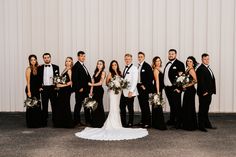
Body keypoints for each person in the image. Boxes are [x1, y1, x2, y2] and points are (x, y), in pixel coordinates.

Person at [75, 60, 148, 140]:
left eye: (115, 65)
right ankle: (111, 123)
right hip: (113, 92)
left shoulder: (120, 73)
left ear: (117, 65)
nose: (114, 66)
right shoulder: (110, 73)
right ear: (111, 66)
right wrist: (113, 85)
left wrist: (120, 85)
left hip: (119, 92)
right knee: (113, 106)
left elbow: (123, 82)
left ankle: (118, 123)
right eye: (112, 65)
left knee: (117, 107)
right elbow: (106, 83)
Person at [163, 49, 185, 128]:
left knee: (177, 106)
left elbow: (182, 77)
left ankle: (179, 123)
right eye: (169, 54)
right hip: (167, 88)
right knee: (172, 105)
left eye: (172, 54)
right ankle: (172, 120)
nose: (170, 55)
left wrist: (179, 89)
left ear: (175, 54)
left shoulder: (180, 64)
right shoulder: (167, 64)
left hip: (175, 89)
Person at [38, 53, 60, 127]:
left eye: (48, 57)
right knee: (44, 106)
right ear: (43, 59)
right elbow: (37, 78)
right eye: (45, 58)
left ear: (50, 58)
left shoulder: (56, 67)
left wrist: (57, 86)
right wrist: (39, 86)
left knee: (55, 106)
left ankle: (56, 122)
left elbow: (57, 78)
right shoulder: (40, 67)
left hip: (53, 88)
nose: (46, 59)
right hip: (44, 88)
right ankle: (44, 122)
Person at [196, 53, 216, 132]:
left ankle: (207, 124)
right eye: (205, 59)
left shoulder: (207, 68)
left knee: (206, 109)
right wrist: (204, 91)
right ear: (202, 60)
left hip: (209, 92)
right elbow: (201, 82)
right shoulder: (201, 68)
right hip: (204, 93)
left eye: (208, 59)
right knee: (202, 109)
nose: (207, 60)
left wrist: (211, 91)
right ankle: (201, 126)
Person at [72, 51, 92, 126]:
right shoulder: (76, 66)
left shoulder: (83, 65)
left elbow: (86, 77)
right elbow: (75, 79)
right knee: (78, 105)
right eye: (81, 56)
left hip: (85, 89)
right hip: (80, 90)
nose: (83, 57)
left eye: (84, 56)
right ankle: (76, 121)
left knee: (86, 105)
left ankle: (88, 120)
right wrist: (79, 88)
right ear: (78, 57)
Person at [53, 57, 74, 128]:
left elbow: (71, 82)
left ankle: (68, 123)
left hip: (66, 90)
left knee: (65, 105)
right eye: (67, 61)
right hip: (62, 90)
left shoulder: (69, 70)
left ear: (71, 63)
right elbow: (63, 80)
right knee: (61, 105)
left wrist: (61, 85)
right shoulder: (65, 69)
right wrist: (58, 83)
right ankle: (61, 122)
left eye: (69, 61)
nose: (68, 62)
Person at [120, 53, 139, 127]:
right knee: (122, 107)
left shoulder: (134, 68)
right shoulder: (125, 68)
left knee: (130, 108)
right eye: (126, 59)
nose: (127, 60)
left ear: (131, 59)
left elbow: (135, 81)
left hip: (130, 92)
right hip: (124, 92)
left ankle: (130, 122)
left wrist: (131, 91)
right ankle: (123, 122)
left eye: (128, 59)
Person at [136, 52, 153, 128]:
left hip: (144, 88)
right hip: (138, 87)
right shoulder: (138, 66)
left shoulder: (147, 66)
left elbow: (150, 77)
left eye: (141, 57)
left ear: (144, 57)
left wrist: (145, 86)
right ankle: (143, 121)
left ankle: (148, 122)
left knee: (145, 105)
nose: (140, 58)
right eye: (139, 57)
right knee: (141, 105)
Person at [25, 54, 42, 128]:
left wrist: (40, 87)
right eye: (31, 60)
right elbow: (28, 82)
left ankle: (37, 122)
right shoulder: (28, 69)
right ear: (29, 61)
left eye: (34, 59)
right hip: (31, 89)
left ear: (36, 60)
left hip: (37, 90)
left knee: (37, 106)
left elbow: (38, 80)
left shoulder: (38, 68)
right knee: (31, 106)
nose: (33, 61)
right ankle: (31, 123)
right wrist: (29, 92)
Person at [182, 56, 198, 131]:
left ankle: (190, 125)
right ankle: (187, 124)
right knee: (186, 106)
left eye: (190, 61)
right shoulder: (187, 69)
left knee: (189, 107)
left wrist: (187, 85)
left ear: (193, 63)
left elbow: (195, 80)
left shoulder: (191, 70)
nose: (188, 62)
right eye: (187, 61)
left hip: (191, 90)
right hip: (188, 90)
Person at [88, 60, 106, 128]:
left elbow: (100, 83)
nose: (99, 65)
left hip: (99, 91)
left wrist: (91, 84)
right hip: (95, 91)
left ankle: (100, 122)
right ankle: (94, 122)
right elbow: (93, 83)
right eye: (98, 64)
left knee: (99, 105)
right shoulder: (95, 72)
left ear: (103, 65)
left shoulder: (103, 72)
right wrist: (91, 91)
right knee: (94, 106)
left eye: (100, 64)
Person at [151, 56, 167, 130]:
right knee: (158, 106)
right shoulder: (156, 70)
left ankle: (155, 123)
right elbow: (157, 81)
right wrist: (157, 92)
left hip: (159, 89)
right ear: (154, 62)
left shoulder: (158, 69)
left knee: (156, 106)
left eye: (159, 61)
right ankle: (159, 124)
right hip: (157, 90)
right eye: (157, 61)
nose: (158, 62)